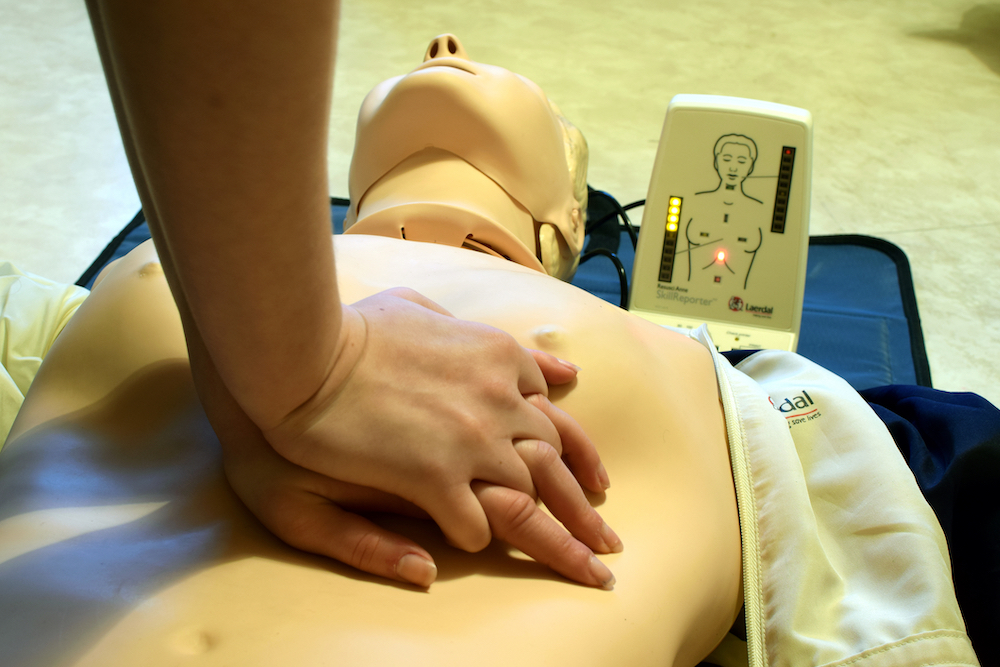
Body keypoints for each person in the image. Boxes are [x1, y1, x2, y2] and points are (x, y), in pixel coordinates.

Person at [0, 34, 979, 667]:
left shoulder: (704, 377)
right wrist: (300, 367)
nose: (445, 41)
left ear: (564, 226)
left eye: (543, 108)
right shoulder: (195, 259)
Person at [77, 0, 612, 591]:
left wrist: (271, 387)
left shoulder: (168, 285)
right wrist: (312, 378)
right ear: (351, 206)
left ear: (575, 220)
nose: (443, 45)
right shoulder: (195, 276)